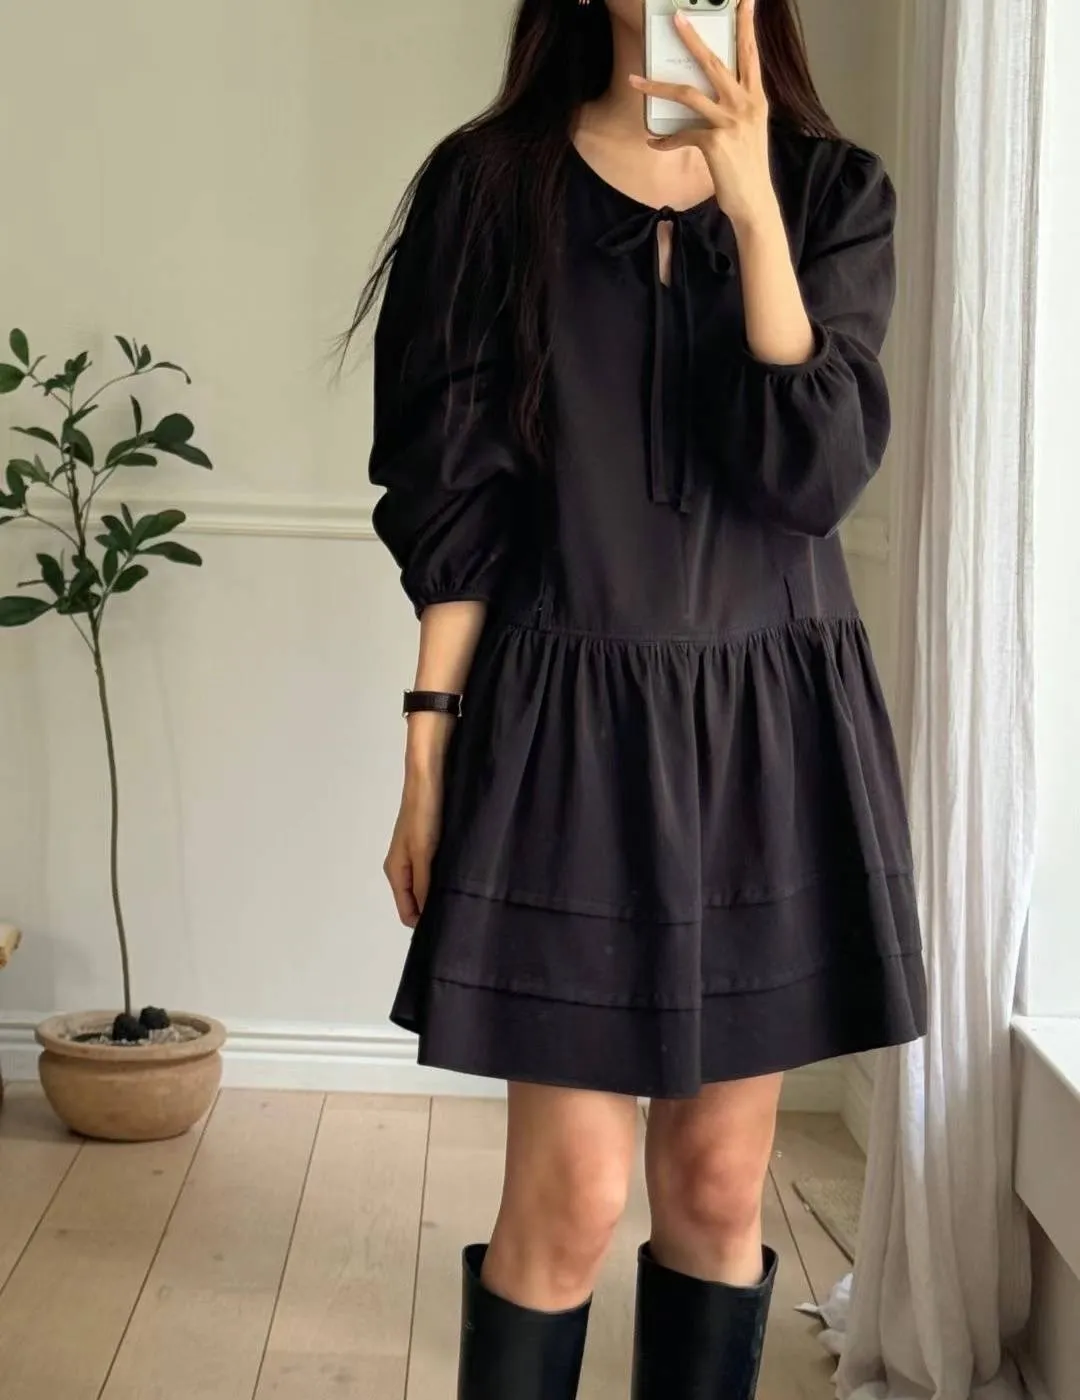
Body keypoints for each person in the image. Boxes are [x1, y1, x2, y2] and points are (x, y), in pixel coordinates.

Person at [350, 0, 927, 1394]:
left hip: (769, 730)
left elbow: (810, 478)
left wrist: (749, 197)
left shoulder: (835, 192)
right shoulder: (490, 186)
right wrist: (427, 750)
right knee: (572, 1199)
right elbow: (458, 494)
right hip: (567, 729)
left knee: (721, 1186)